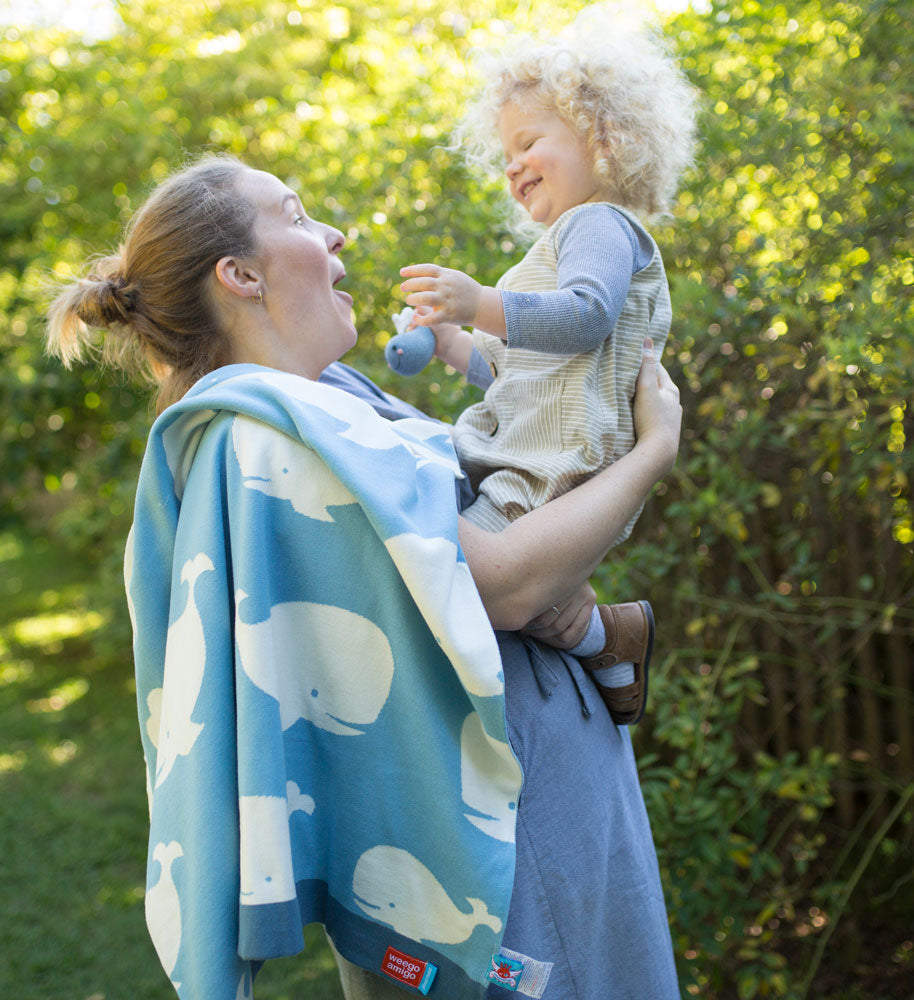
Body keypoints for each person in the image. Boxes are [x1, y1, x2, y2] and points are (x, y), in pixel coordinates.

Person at [46, 155, 684, 1000]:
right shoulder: (271, 433)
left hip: (536, 795)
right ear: (239, 275)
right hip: (501, 843)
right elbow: (500, 584)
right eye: (298, 214)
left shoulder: (316, 401)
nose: (334, 232)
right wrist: (650, 454)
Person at [388, 23, 698, 725]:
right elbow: (512, 368)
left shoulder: (600, 228)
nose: (511, 165)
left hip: (555, 459)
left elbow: (585, 316)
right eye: (505, 154)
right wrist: (452, 343)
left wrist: (481, 302)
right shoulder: (555, 250)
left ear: (605, 138)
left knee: (456, 572)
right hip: (534, 450)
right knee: (516, 588)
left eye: (528, 143)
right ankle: (608, 639)